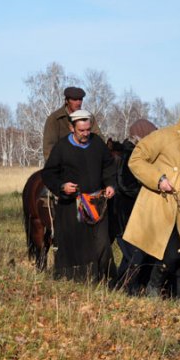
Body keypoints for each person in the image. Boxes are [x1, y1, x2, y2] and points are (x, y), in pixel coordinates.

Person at [123, 102, 180, 299]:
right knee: (163, 254)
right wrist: (158, 180)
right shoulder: (164, 136)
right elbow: (136, 159)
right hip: (158, 208)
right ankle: (148, 291)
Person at [41, 109, 116, 282]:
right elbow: (49, 174)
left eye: (88, 129)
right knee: (75, 245)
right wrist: (62, 186)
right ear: (71, 127)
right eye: (81, 130)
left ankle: (107, 282)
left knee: (103, 243)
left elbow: (109, 167)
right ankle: (75, 281)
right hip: (71, 206)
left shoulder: (97, 143)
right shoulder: (61, 148)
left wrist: (110, 184)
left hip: (97, 204)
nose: (85, 134)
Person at [111, 119, 158, 294]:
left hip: (136, 214)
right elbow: (125, 184)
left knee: (133, 255)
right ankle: (127, 288)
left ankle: (123, 287)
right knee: (134, 255)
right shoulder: (130, 154)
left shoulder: (141, 154)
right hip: (126, 215)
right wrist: (151, 189)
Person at [42, 86, 102, 161]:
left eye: (80, 99)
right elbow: (49, 148)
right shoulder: (55, 119)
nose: (78, 102)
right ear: (66, 101)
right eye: (74, 99)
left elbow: (99, 139)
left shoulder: (89, 117)